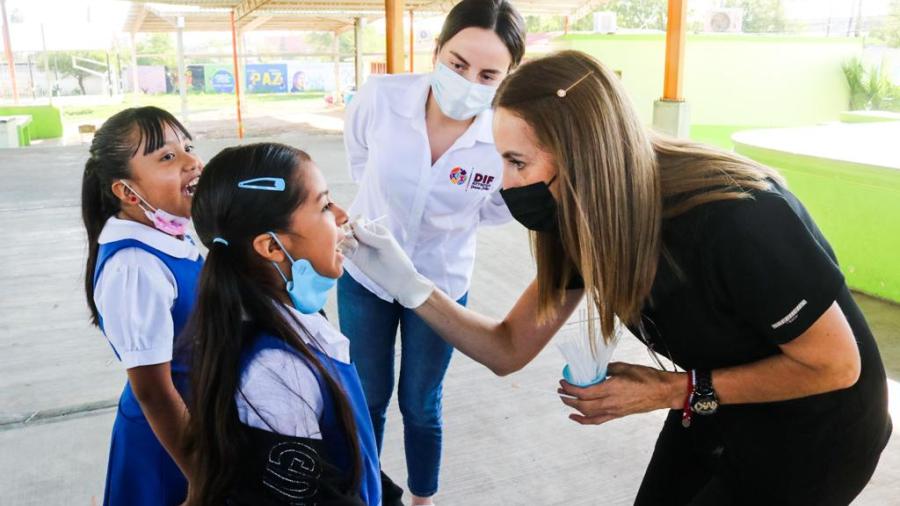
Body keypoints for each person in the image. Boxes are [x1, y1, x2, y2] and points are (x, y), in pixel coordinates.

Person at [345, 50, 892, 505]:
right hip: (712, 409)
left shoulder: (739, 217)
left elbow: (836, 365)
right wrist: (410, 284)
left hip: (814, 433)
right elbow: (508, 348)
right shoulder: (583, 219)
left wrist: (672, 389)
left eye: (516, 163)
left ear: (581, 155)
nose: (503, 185)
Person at [337, 1, 526, 503]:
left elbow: (500, 207)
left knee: (422, 402)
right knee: (367, 397)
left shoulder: (507, 134)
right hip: (366, 275)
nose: (468, 82)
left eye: (488, 74)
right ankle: (368, 493)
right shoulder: (381, 97)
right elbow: (359, 158)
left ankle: (422, 499)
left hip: (440, 287)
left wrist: (448, 226)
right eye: (458, 64)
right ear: (437, 50)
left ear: (509, 77)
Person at [183, 143, 403, 506]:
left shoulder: (299, 319)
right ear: (271, 246)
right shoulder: (276, 370)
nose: (342, 214)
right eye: (323, 205)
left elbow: (352, 453)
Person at [81, 106, 203, 506]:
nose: (191, 162)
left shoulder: (171, 236)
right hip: (169, 447)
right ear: (126, 191)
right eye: (168, 157)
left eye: (187, 147)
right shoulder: (135, 266)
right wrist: (201, 477)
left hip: (197, 426)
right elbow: (152, 390)